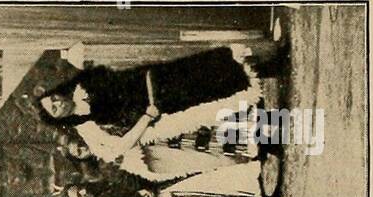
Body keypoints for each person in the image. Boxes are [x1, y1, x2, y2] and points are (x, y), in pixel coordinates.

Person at [36, 49, 258, 144]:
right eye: (54, 109)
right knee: (207, 88)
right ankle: (259, 75)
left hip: (152, 76)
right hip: (159, 100)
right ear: (60, 118)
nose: (58, 103)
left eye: (53, 99)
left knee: (206, 64)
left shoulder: (83, 81)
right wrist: (149, 110)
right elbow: (129, 115)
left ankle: (258, 61)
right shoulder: (97, 119)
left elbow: (116, 73)